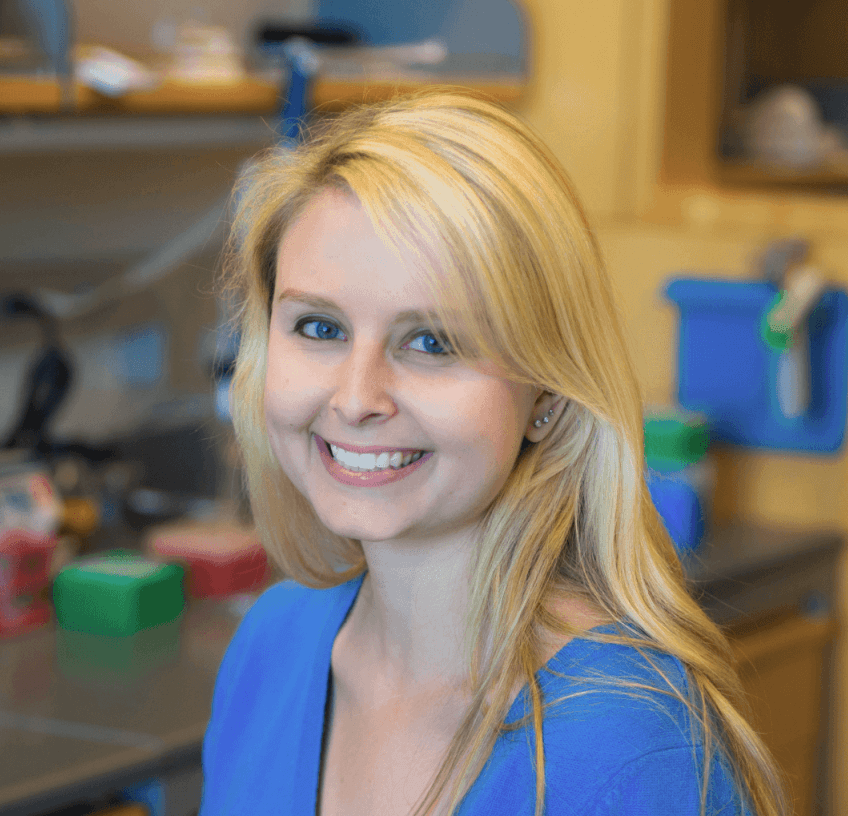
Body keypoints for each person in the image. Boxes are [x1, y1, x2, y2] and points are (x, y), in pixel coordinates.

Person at [200, 90, 786, 816]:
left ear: (546, 392)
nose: (356, 399)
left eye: (432, 342)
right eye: (319, 328)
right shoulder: (273, 647)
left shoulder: (629, 754)